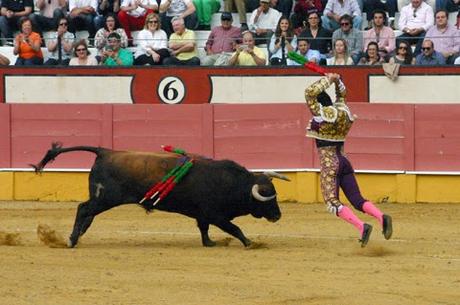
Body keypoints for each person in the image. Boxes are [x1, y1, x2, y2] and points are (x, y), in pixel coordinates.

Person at [304, 73, 393, 247]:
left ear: (319, 104)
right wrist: (337, 81)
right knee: (357, 199)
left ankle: (362, 227)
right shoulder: (343, 110)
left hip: (330, 164)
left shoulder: (321, 115)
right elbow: (342, 94)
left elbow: (309, 92)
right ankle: (381, 217)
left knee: (332, 202)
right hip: (345, 161)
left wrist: (328, 80)